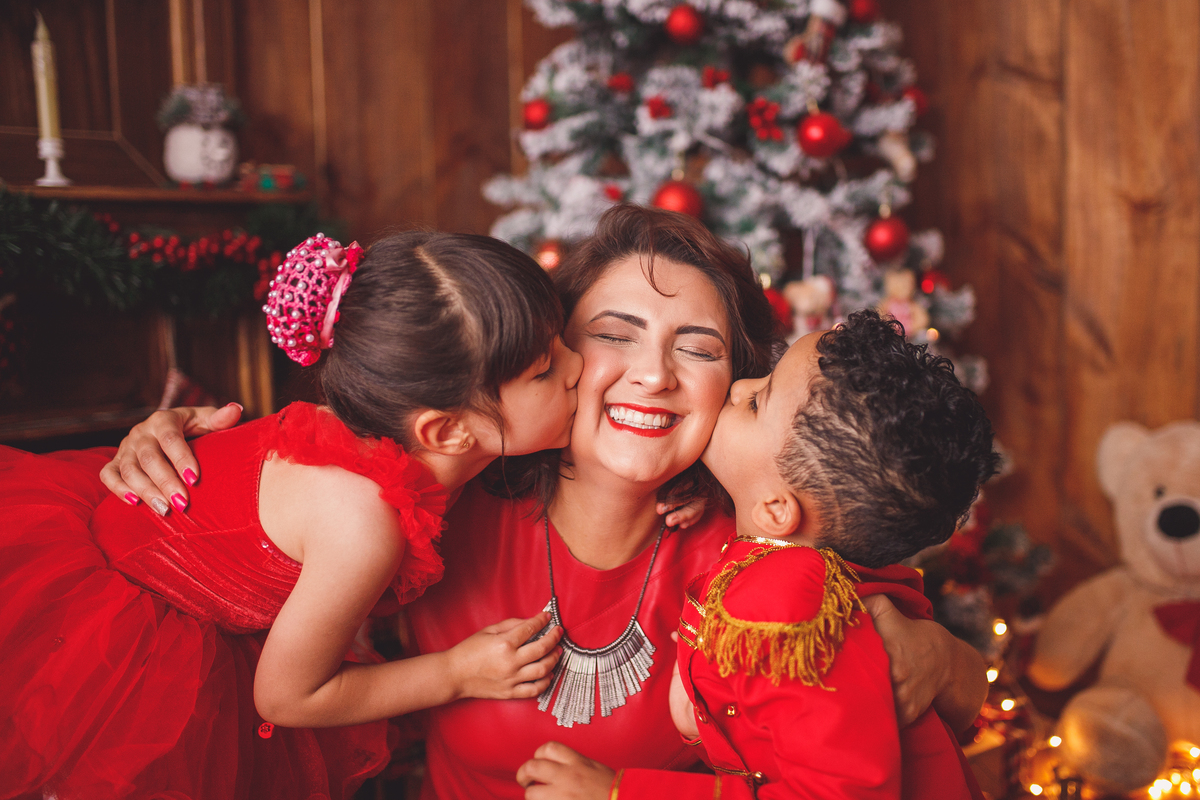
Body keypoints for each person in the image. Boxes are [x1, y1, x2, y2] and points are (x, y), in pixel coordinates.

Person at [106, 206, 990, 800]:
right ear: (538, 360)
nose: (652, 373)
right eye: (611, 336)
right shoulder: (432, 494)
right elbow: (248, 534)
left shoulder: (759, 553)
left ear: (741, 382)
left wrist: (937, 650)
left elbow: (920, 711)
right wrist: (169, 443)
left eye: (699, 347)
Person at [0, 231, 584, 799]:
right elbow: (285, 698)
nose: (579, 364)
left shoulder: (386, 430)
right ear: (447, 431)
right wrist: (457, 671)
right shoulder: (362, 521)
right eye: (545, 369)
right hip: (114, 654)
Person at [520, 311, 996, 798]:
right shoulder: (795, 566)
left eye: (757, 402)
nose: (738, 388)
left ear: (774, 510)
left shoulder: (790, 598)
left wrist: (618, 793)